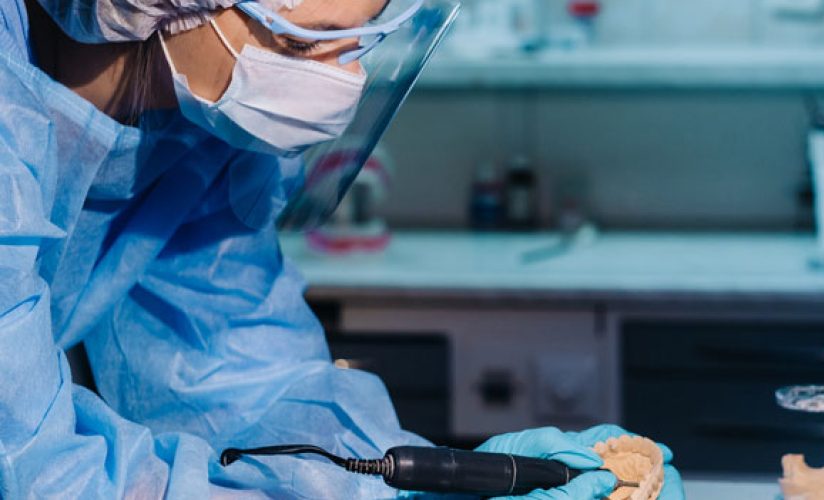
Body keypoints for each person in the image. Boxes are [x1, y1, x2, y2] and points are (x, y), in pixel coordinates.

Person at [0, 0, 684, 497]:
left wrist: (412, 483)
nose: (343, 80)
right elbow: (37, 471)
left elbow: (239, 389)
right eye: (307, 41)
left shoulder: (199, 141)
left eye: (358, 40)